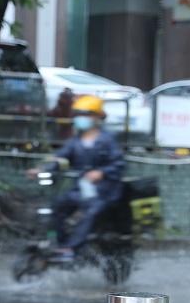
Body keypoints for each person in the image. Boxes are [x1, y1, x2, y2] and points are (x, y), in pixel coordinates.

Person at [28, 95, 125, 261]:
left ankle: (71, 248)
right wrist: (41, 169)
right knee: (58, 206)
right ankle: (61, 244)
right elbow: (60, 158)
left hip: (104, 192)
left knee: (91, 212)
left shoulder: (108, 140)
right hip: (81, 190)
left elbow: (119, 164)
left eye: (85, 114)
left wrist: (102, 173)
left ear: (97, 117)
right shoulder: (75, 141)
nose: (81, 118)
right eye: (78, 114)